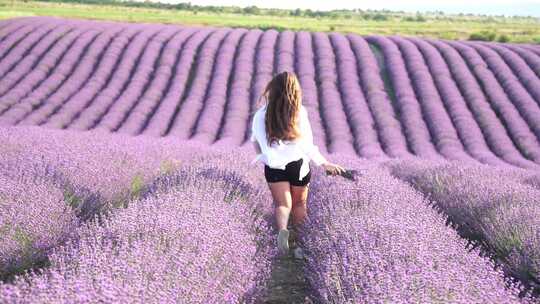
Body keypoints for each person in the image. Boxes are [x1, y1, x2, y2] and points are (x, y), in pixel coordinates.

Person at [249, 71, 346, 258]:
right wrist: (324, 163)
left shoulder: (260, 115)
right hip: (299, 166)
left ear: (273, 90)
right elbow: (307, 144)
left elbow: (255, 141)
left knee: (282, 205)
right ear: (295, 91)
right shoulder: (299, 112)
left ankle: (282, 237)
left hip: (274, 167)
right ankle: (300, 246)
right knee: (299, 205)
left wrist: (264, 156)